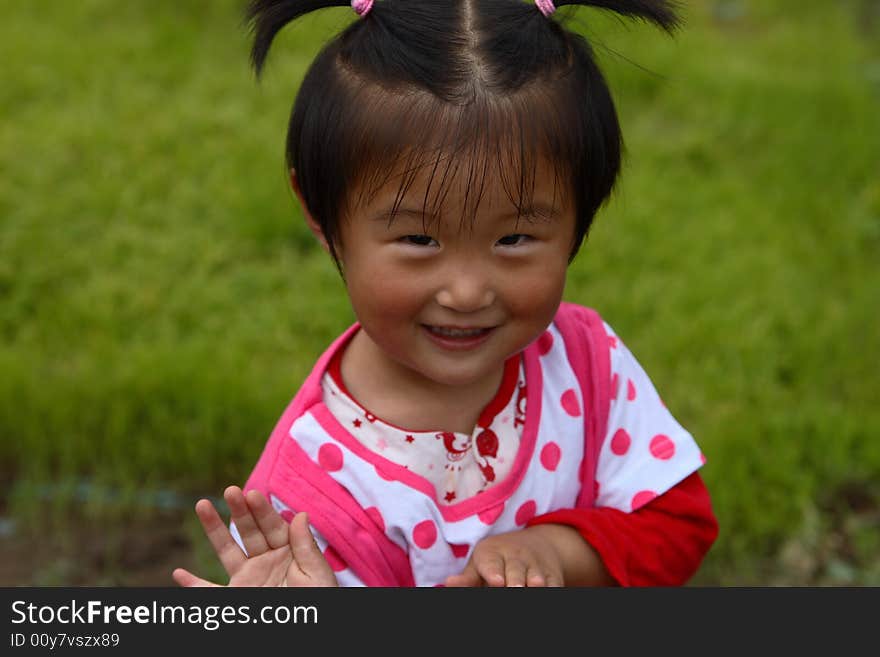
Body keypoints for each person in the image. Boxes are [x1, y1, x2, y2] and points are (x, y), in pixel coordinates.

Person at [173, 0, 718, 588]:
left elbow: (678, 521)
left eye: (513, 238)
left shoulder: (585, 362)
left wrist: (555, 552)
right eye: (418, 238)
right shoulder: (308, 498)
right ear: (321, 214)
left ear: (582, 212)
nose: (465, 291)